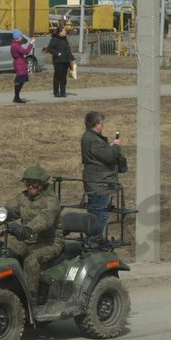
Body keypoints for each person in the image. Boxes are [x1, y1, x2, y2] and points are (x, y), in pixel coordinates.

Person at [2, 164, 62, 302]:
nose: (30, 186)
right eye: (27, 183)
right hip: (27, 239)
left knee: (31, 259)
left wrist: (28, 229)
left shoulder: (51, 201)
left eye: (33, 183)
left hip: (49, 242)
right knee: (4, 249)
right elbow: (6, 213)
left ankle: (31, 297)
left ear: (41, 183)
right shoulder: (23, 198)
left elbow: (45, 219)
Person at [80, 110, 123, 240]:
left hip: (96, 182)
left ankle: (93, 240)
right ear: (96, 124)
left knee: (95, 213)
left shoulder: (90, 137)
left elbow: (100, 155)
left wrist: (109, 148)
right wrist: (115, 147)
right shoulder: (93, 139)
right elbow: (109, 157)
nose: (102, 126)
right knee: (100, 215)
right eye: (101, 123)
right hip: (100, 183)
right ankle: (95, 241)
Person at [45, 23, 75, 97]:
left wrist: (72, 58)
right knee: (58, 76)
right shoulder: (55, 39)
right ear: (60, 32)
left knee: (63, 77)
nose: (66, 32)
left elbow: (68, 50)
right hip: (58, 61)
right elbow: (49, 48)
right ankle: (56, 92)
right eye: (64, 30)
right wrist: (57, 53)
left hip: (66, 61)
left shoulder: (65, 39)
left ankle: (63, 91)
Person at [10, 29, 34, 104]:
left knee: (21, 80)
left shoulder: (15, 45)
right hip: (19, 64)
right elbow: (26, 52)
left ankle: (17, 97)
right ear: (18, 38)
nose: (21, 38)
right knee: (19, 80)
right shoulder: (16, 46)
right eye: (20, 37)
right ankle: (16, 97)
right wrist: (31, 44)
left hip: (20, 63)